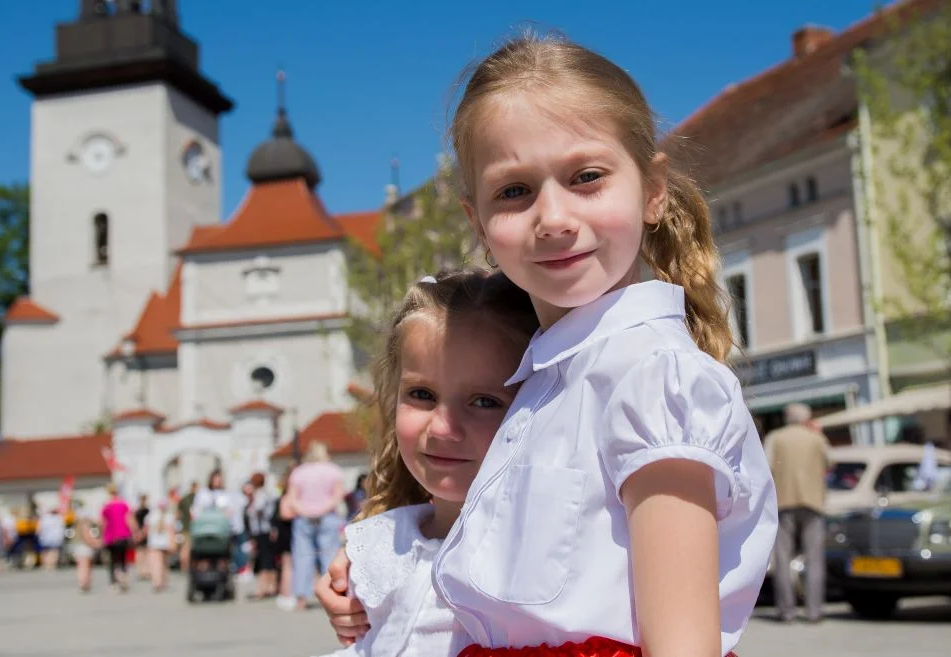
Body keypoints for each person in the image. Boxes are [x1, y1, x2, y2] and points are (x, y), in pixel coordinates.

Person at [319, 33, 778, 657]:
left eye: (586, 177)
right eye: (514, 191)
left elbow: (682, 645)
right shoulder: (546, 374)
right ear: (477, 221)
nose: (554, 217)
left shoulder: (653, 376)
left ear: (651, 190)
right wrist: (373, 580)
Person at [315, 269, 537, 657]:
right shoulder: (381, 544)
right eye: (422, 394)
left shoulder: (540, 553)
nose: (443, 428)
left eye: (485, 401)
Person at [764, 403, 830, 624]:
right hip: (813, 501)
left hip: (784, 501)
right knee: (814, 559)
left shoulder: (776, 437)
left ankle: (786, 610)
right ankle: (814, 611)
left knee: (783, 558)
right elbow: (832, 461)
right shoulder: (816, 438)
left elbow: (766, 464)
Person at [284, 441, 346, 610]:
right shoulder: (334, 470)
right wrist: (321, 510)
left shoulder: (299, 472)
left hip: (303, 518)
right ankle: (333, 595)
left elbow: (292, 499)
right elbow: (337, 496)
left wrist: (305, 511)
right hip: (327, 517)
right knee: (329, 556)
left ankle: (301, 599)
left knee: (302, 557)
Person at [245, 472, 278, 600]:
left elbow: (258, 509)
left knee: (263, 561)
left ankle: (262, 589)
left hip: (262, 531)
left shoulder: (260, 494)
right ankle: (271, 586)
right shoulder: (267, 493)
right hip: (265, 530)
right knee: (269, 560)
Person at [100, 482, 136, 592]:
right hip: (123, 535)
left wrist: (102, 536)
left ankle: (114, 582)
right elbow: (129, 520)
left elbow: (103, 522)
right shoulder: (124, 504)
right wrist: (134, 533)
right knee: (123, 558)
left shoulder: (106, 505)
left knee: (112, 560)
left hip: (110, 536)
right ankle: (124, 578)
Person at [273, 466, 296, 611]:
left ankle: (286, 592)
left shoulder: (284, 494)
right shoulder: (287, 496)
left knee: (288, 565)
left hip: (286, 531)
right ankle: (286, 593)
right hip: (288, 532)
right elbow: (285, 514)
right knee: (288, 565)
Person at [70, 500, 101, 593]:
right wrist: (97, 543)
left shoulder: (76, 525)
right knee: (85, 566)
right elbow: (87, 537)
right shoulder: (85, 524)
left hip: (78, 547)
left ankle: (82, 582)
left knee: (81, 566)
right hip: (84, 548)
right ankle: (85, 582)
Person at [146, 499, 176, 592]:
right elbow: (172, 531)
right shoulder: (169, 516)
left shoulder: (152, 516)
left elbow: (147, 530)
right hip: (164, 543)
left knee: (156, 563)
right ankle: (161, 581)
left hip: (155, 543)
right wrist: (173, 544)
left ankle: (157, 581)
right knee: (163, 563)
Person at [176, 481, 198, 572]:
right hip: (191, 527)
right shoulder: (196, 499)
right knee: (187, 548)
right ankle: (186, 566)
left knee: (184, 548)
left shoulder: (184, 499)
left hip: (184, 527)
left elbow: (178, 513)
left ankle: (183, 566)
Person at [133, 493, 151, 580]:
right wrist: (140, 533)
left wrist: (139, 533)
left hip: (144, 532)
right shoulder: (144, 511)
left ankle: (144, 571)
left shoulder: (144, 511)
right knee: (142, 552)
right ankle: (143, 571)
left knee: (143, 552)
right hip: (143, 532)